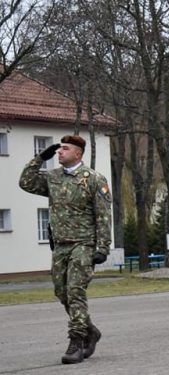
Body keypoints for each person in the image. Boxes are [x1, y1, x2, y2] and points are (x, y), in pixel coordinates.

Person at [19, 135, 112, 364]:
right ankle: (90, 330)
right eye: (59, 149)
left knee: (75, 291)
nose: (59, 152)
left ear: (78, 153)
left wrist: (102, 247)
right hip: (60, 245)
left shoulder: (93, 179)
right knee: (62, 293)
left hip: (84, 244)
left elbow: (103, 215)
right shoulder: (53, 178)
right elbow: (26, 182)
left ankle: (77, 341)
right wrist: (40, 158)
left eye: (65, 149)